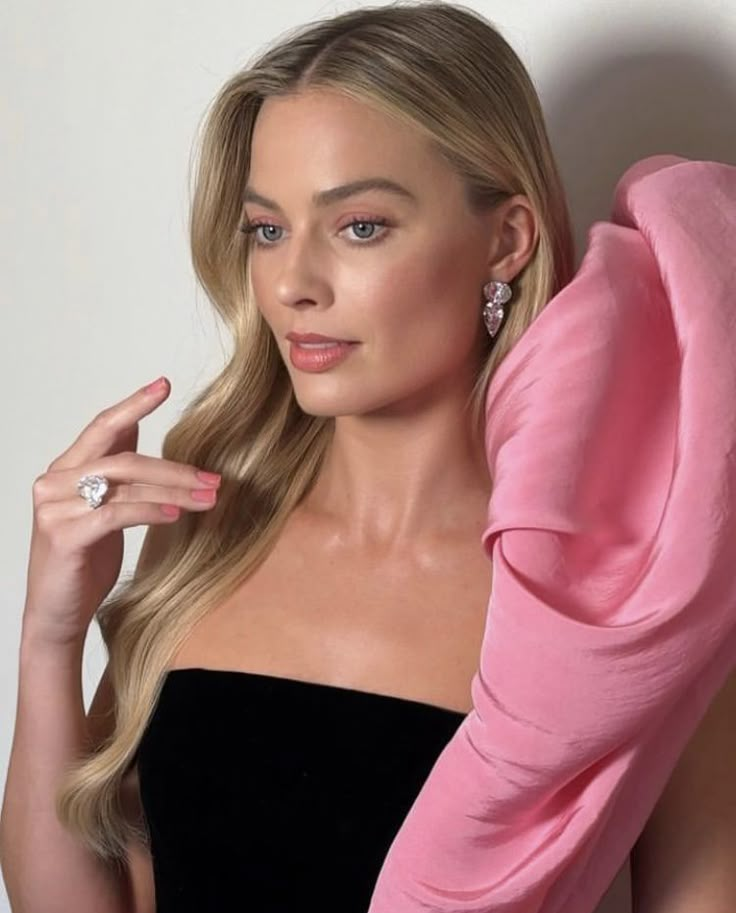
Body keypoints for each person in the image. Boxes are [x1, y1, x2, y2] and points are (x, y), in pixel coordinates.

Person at [2, 3, 735, 913]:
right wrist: (49, 635)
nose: (293, 284)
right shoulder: (208, 539)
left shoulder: (623, 603)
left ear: (505, 240)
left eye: (360, 226)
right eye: (267, 229)